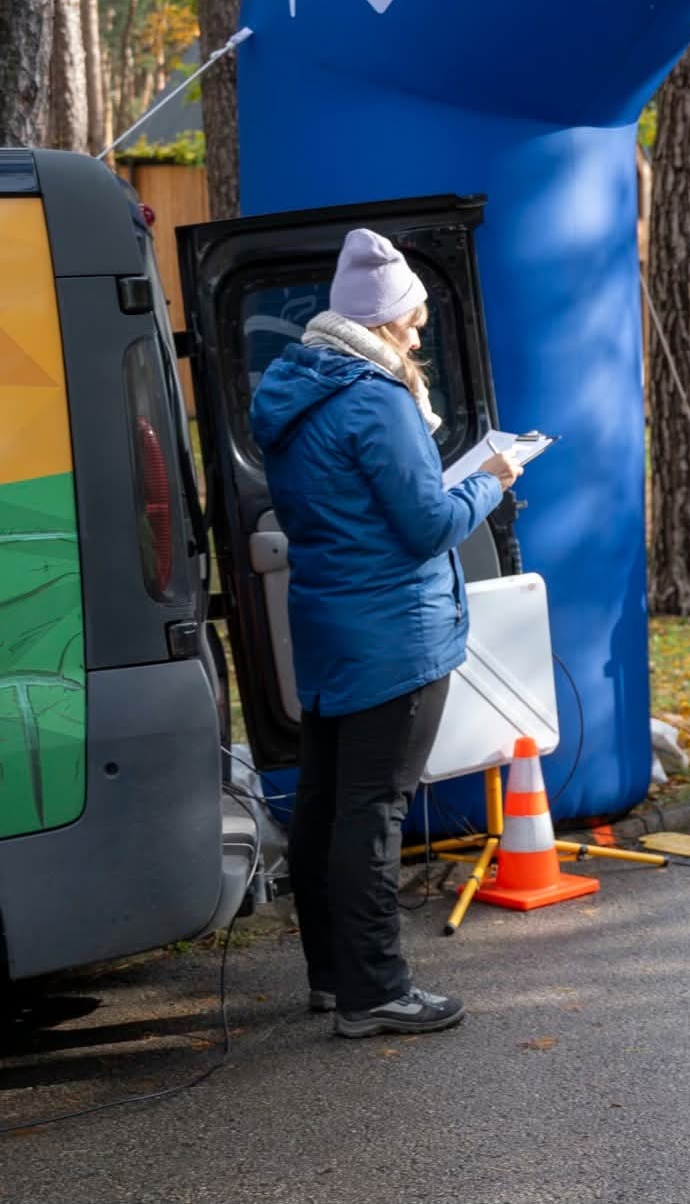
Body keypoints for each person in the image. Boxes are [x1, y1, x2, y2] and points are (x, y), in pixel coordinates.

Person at [250, 229, 520, 1038]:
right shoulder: (376, 397)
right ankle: (377, 991)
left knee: (326, 803)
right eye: (414, 317)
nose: (421, 331)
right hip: (394, 632)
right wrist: (490, 481)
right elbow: (428, 524)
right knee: (374, 812)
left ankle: (333, 975)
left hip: (331, 625)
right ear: (383, 318)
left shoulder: (297, 387)